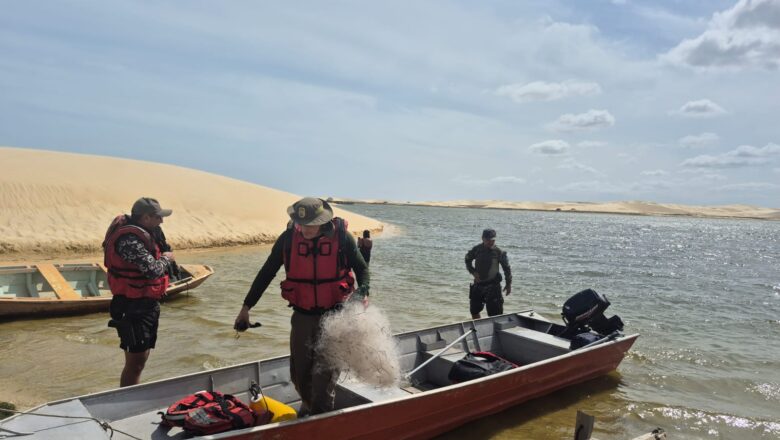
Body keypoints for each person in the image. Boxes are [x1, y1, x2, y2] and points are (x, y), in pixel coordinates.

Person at [234, 197, 369, 416]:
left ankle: (320, 422)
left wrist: (363, 292)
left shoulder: (343, 238)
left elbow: (362, 269)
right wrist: (246, 307)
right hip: (302, 317)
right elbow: (266, 272)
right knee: (299, 373)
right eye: (301, 223)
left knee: (323, 378)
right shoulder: (288, 239)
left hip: (334, 318)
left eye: (310, 224)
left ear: (323, 221)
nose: (305, 229)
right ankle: (308, 409)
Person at [103, 197, 175, 387]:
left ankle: (134, 393)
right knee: (135, 363)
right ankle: (127, 400)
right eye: (158, 217)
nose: (162, 221)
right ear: (145, 218)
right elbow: (153, 270)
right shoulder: (128, 240)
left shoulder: (149, 231)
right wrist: (168, 259)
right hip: (131, 307)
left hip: (146, 304)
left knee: (141, 359)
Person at [465, 228, 512, 319]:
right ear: (482, 238)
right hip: (478, 285)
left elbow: (507, 268)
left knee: (495, 315)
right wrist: (473, 272)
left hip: (493, 287)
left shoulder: (499, 252)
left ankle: (495, 331)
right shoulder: (477, 249)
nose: (490, 242)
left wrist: (508, 284)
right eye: (488, 240)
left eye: (493, 240)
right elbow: (467, 259)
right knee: (474, 311)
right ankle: (478, 329)